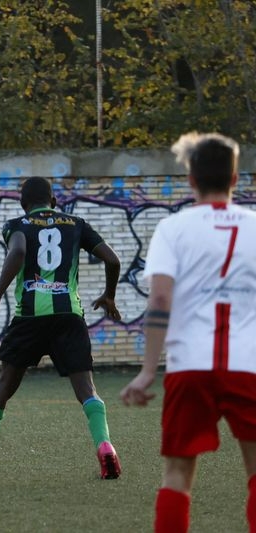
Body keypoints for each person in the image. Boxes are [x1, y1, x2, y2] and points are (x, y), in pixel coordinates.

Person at [120, 132, 256, 532]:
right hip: (249, 366)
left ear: (191, 180)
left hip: (188, 366)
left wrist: (147, 371)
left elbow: (160, 301)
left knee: (178, 473)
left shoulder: (172, 228)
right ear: (234, 180)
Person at [0, 176, 122, 481]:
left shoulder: (16, 224)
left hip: (29, 318)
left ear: (24, 204)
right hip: (69, 316)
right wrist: (109, 295)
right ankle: (105, 446)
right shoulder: (76, 223)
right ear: (53, 201)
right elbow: (112, 259)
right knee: (86, 390)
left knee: (4, 387)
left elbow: (19, 252)